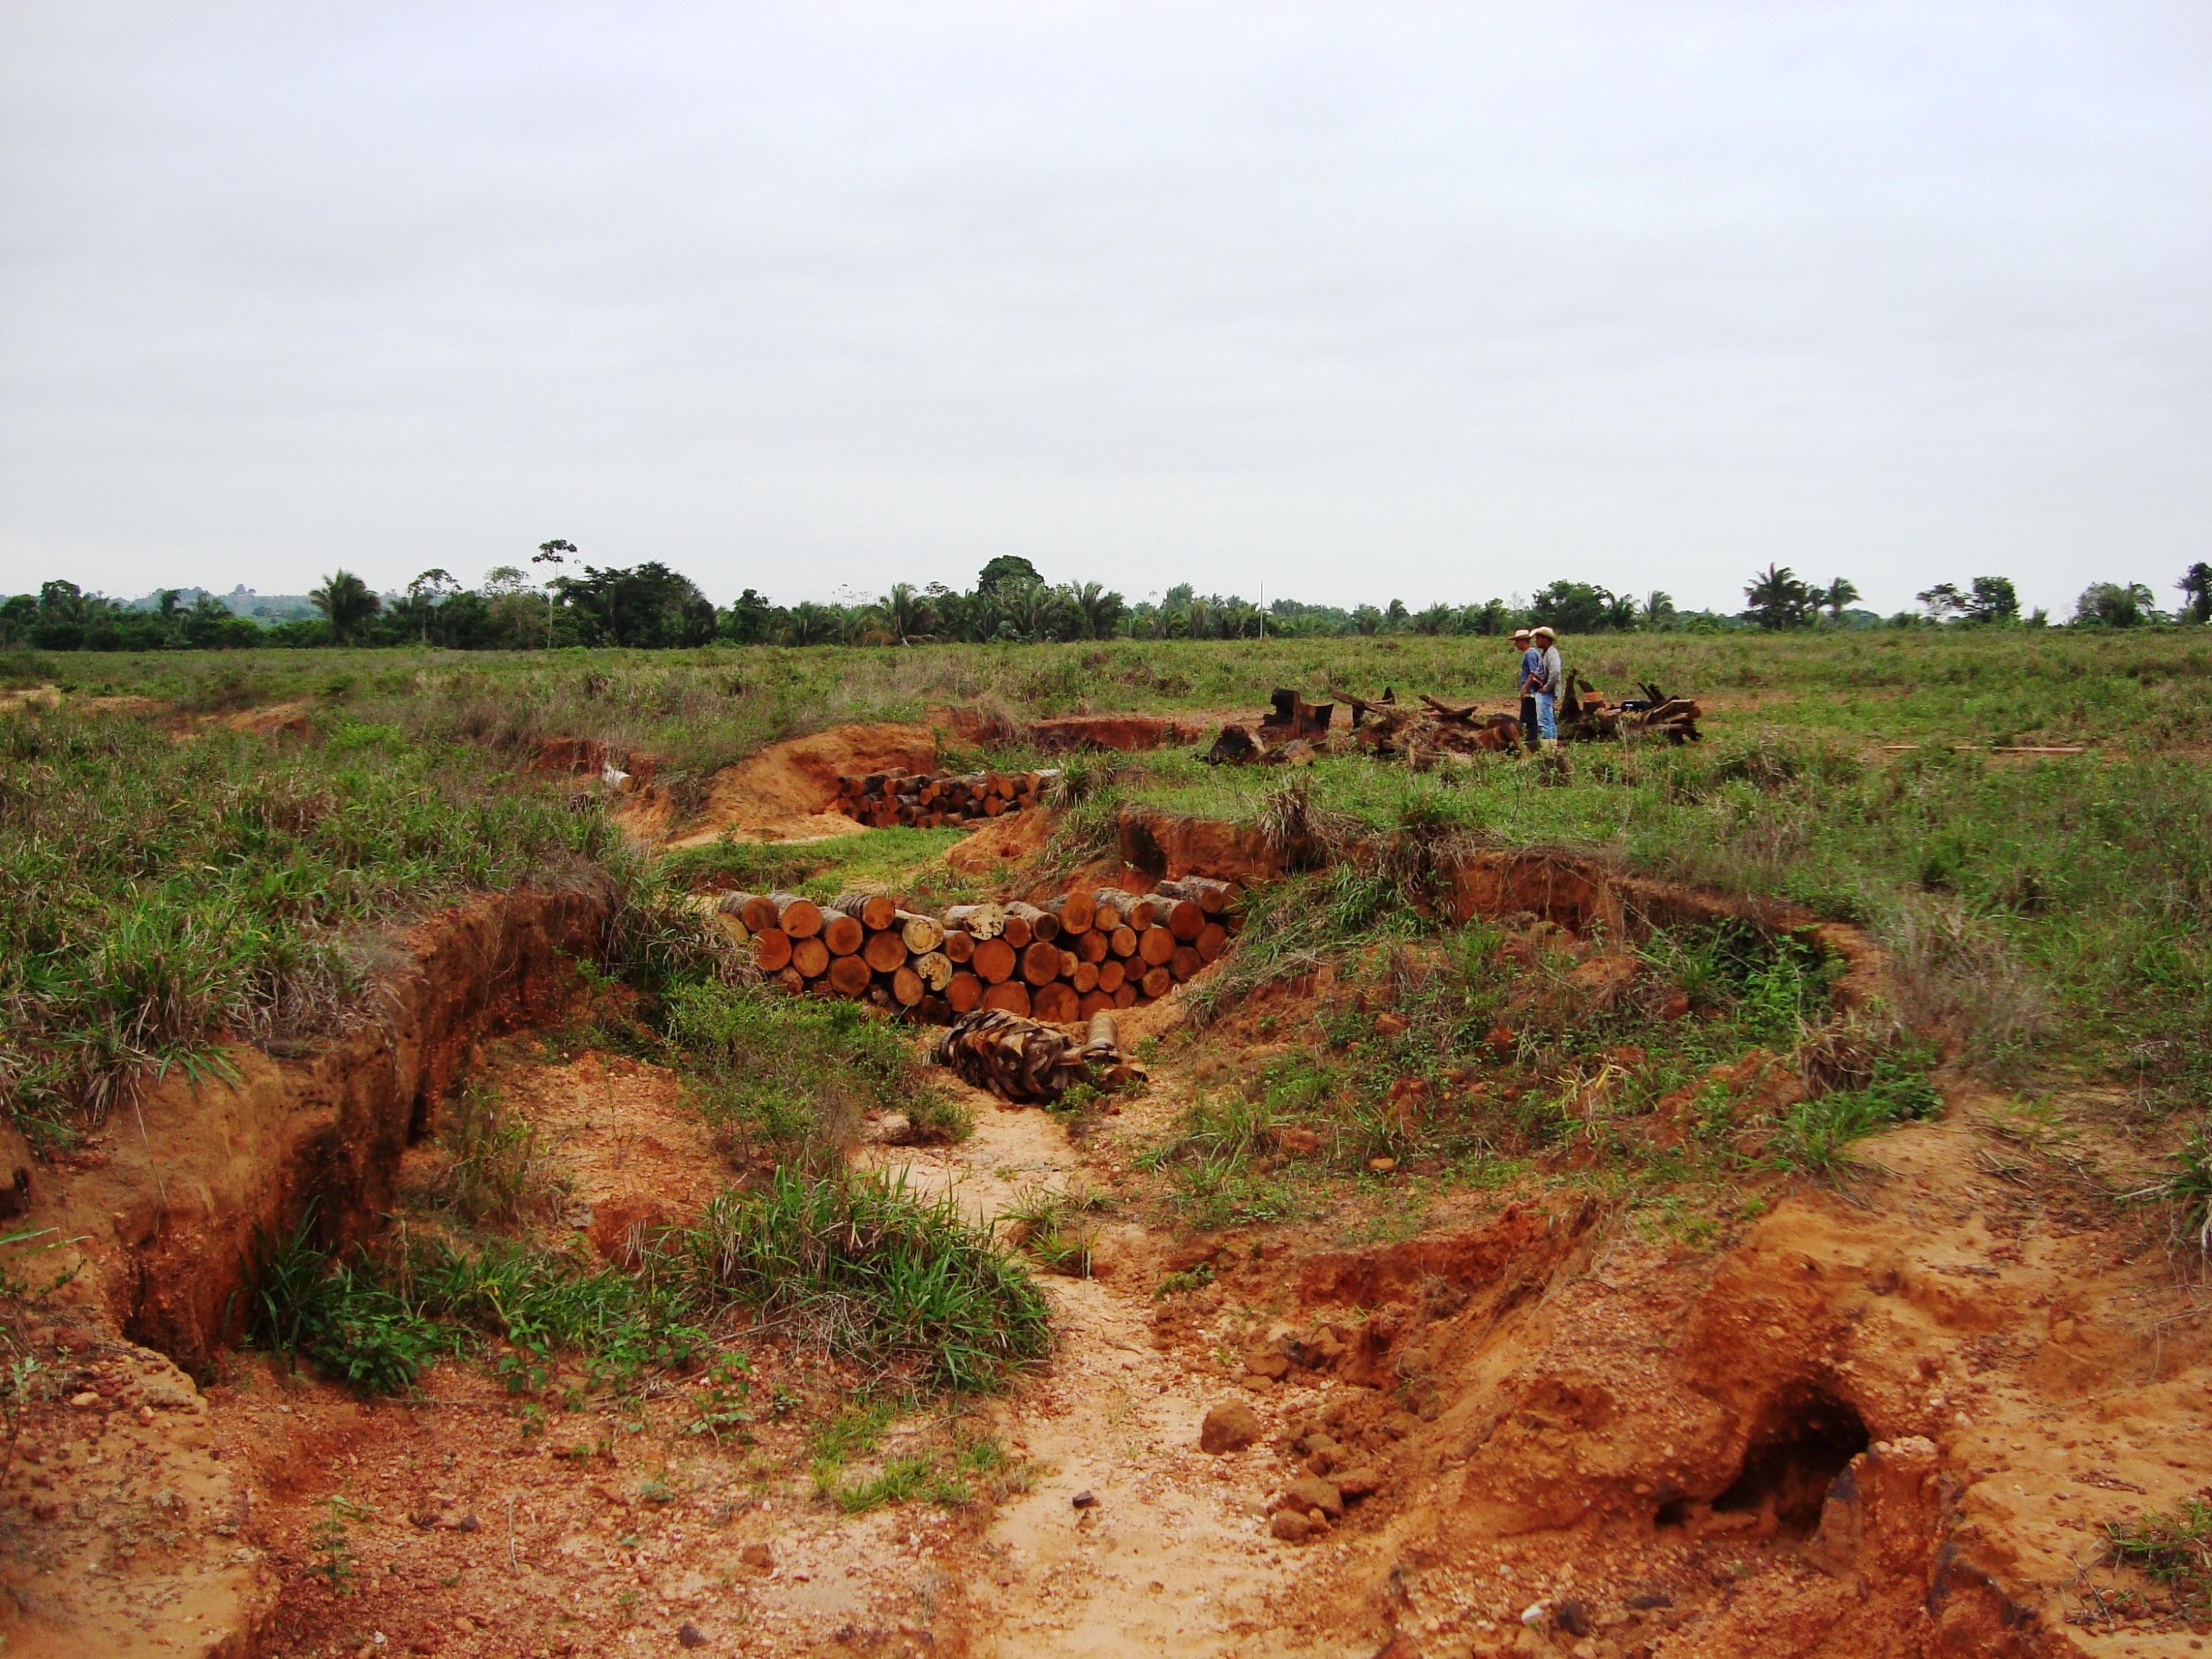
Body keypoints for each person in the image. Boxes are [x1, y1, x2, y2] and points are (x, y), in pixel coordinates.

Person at [1530, 625, 1563, 747]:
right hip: (1545, 691)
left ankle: (1547, 749)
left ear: (1545, 639)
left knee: (1545, 720)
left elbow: (1555, 672)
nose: (1536, 641)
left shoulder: (1552, 653)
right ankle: (1552, 746)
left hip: (1546, 691)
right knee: (1548, 720)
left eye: (1538, 638)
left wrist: (1547, 687)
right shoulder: (1547, 653)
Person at [1512, 629, 1540, 753]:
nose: (1516, 644)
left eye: (1517, 641)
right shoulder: (1530, 653)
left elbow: (1534, 673)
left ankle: (1531, 745)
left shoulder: (1530, 654)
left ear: (1523, 641)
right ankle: (1525, 743)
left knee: (1530, 720)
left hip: (1531, 692)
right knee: (1524, 718)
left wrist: (1525, 688)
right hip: (1531, 691)